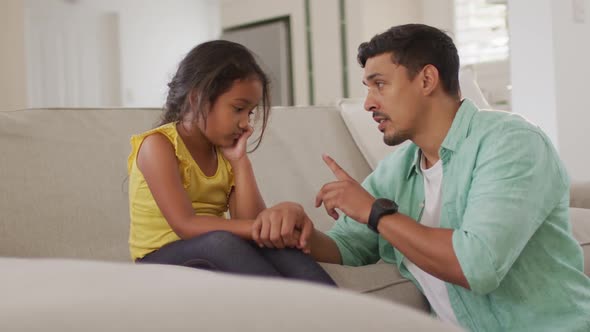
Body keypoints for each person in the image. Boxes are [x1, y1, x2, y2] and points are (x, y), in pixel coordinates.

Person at [252, 24, 590, 330]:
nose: (369, 103)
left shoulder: (511, 143)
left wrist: (375, 212)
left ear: (427, 80)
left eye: (380, 85)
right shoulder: (397, 171)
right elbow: (347, 247)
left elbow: (477, 266)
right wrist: (301, 232)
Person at [127, 40, 335, 286]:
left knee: (277, 246)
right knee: (223, 241)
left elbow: (249, 220)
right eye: (238, 109)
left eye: (250, 113)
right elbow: (186, 225)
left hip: (210, 250)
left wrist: (240, 162)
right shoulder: (159, 146)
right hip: (158, 259)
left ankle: (340, 315)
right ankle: (286, 314)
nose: (246, 123)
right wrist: (259, 229)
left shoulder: (225, 154)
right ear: (197, 99)